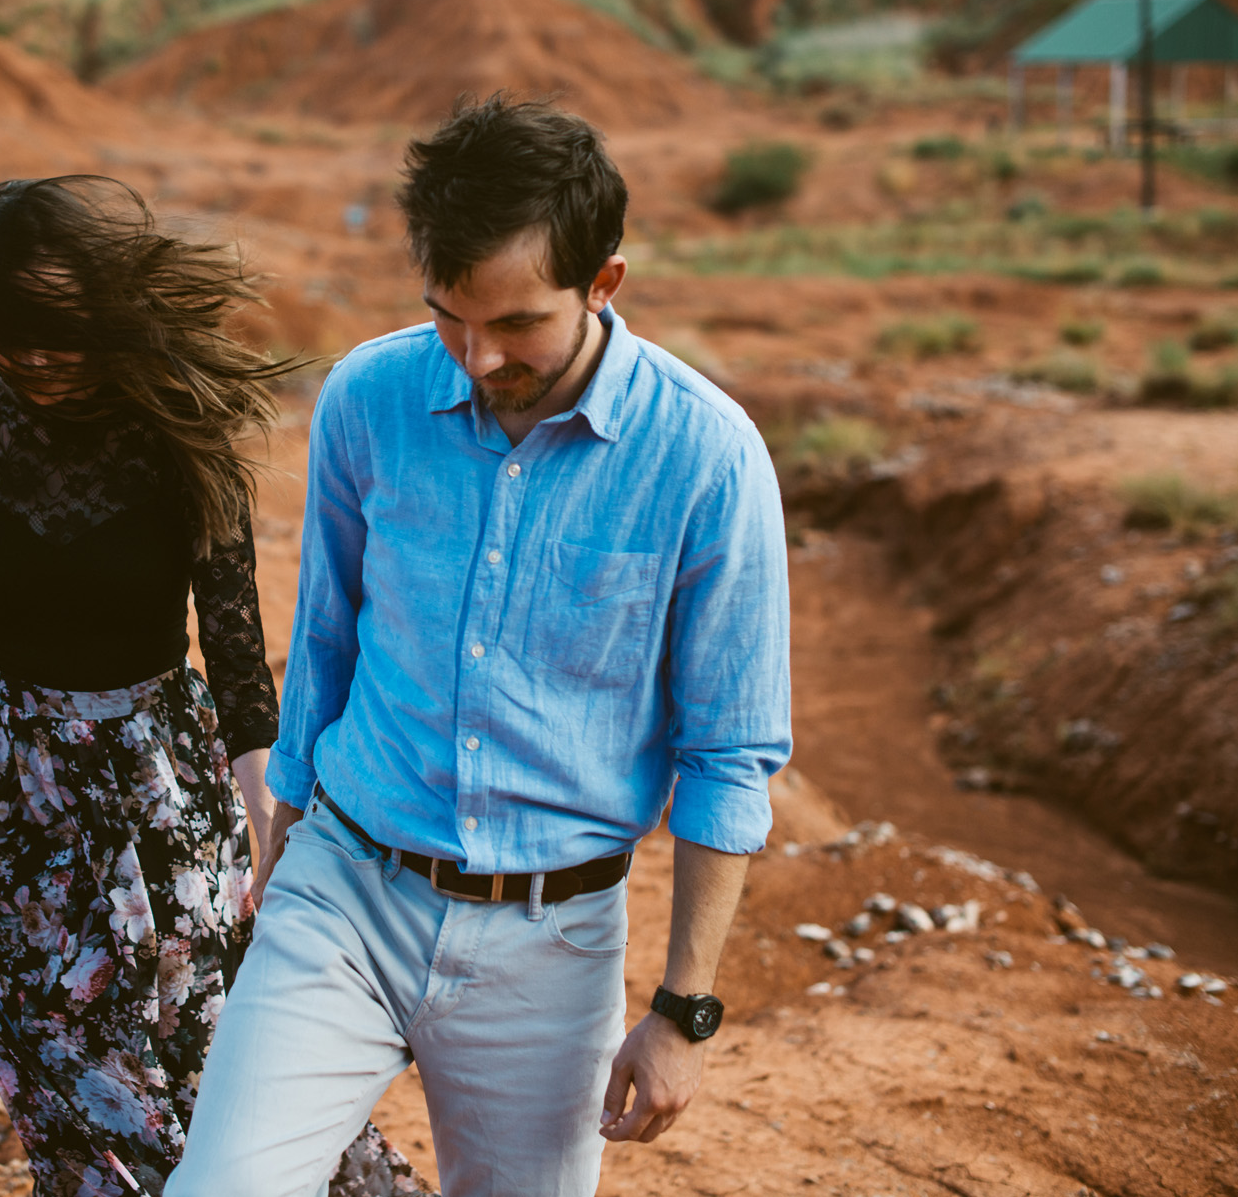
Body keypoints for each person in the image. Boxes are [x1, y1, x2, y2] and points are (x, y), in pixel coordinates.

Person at [167, 98, 794, 1197]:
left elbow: (728, 753)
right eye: (450, 317)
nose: (474, 356)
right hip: (346, 889)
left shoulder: (708, 458)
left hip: (552, 944)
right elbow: (326, 632)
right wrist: (289, 823)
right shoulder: (369, 393)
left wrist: (683, 1011)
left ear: (604, 282)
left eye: (514, 324)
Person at [0, 176, 428, 1197]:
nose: (37, 361)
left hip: (161, 797)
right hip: (6, 807)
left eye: (60, 333)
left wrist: (273, 837)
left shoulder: (182, 442)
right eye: (10, 338)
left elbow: (239, 670)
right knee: (63, 1091)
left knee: (210, 1065)